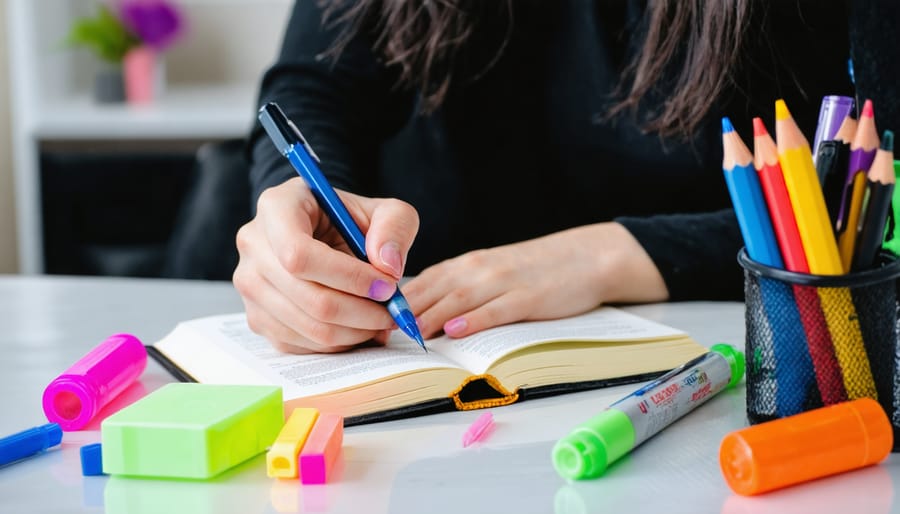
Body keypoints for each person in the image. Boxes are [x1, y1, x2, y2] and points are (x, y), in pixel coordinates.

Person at [234, 0, 897, 354]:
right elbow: (314, 85)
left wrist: (615, 254)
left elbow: (878, 200)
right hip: (422, 349)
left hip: (730, 361)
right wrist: (303, 197)